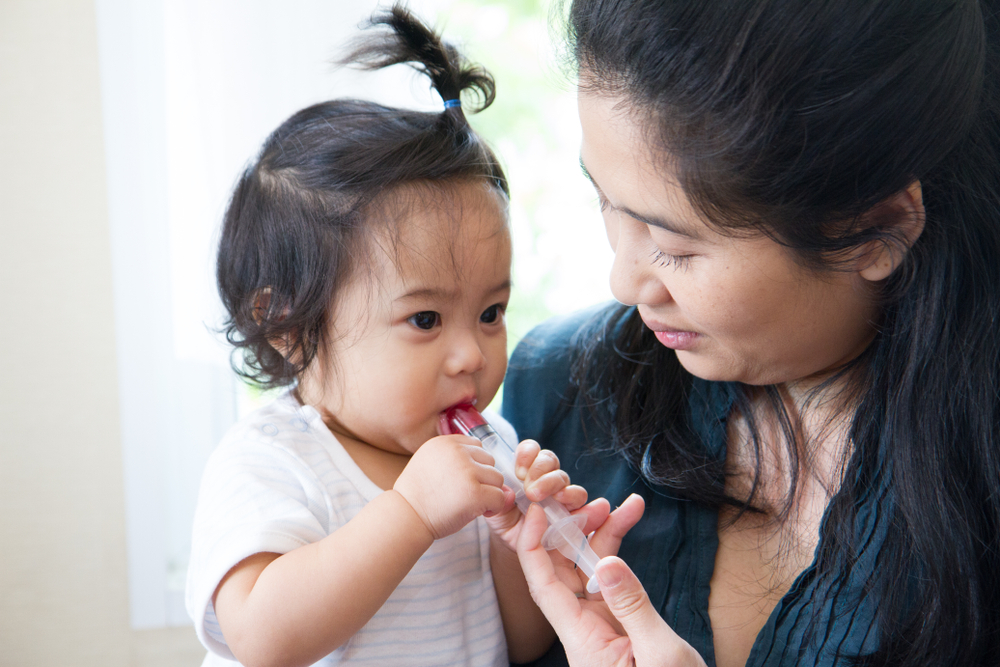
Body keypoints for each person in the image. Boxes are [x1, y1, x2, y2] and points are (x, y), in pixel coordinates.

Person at [502, 1, 1000, 666]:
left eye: (672, 244)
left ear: (877, 227)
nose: (624, 281)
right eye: (606, 202)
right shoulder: (556, 388)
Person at [184, 7, 584, 666]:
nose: (472, 356)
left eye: (491, 312)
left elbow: (520, 641)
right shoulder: (271, 461)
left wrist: (528, 537)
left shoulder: (492, 451)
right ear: (288, 326)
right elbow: (262, 637)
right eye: (425, 320)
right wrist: (411, 513)